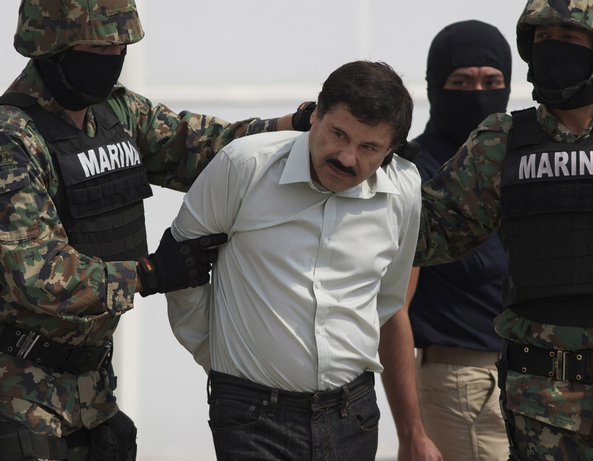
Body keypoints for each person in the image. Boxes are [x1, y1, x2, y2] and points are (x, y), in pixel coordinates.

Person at [0, 1, 308, 460]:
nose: (114, 56)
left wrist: (296, 127)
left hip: (91, 393)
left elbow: (202, 147)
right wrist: (149, 274)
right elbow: (37, 275)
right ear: (52, 46)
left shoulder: (115, 113)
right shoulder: (13, 139)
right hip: (20, 398)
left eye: (120, 45)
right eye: (98, 46)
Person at [166, 60, 437, 461]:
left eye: (368, 148)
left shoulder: (405, 191)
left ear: (390, 151)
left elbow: (386, 297)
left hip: (354, 415)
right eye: (338, 134)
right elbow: (179, 266)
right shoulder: (243, 167)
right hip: (251, 415)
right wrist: (220, 357)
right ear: (315, 116)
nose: (347, 158)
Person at [415, 0, 593, 459]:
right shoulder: (498, 143)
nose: (550, 50)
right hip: (543, 407)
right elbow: (427, 235)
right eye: (541, 40)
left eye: (566, 40)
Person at [394, 20, 512, 461]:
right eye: (461, 81)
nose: (478, 92)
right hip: (463, 386)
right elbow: (394, 311)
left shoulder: (514, 162)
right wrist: (410, 433)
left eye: (492, 80)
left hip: (529, 384)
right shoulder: (418, 174)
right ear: (434, 86)